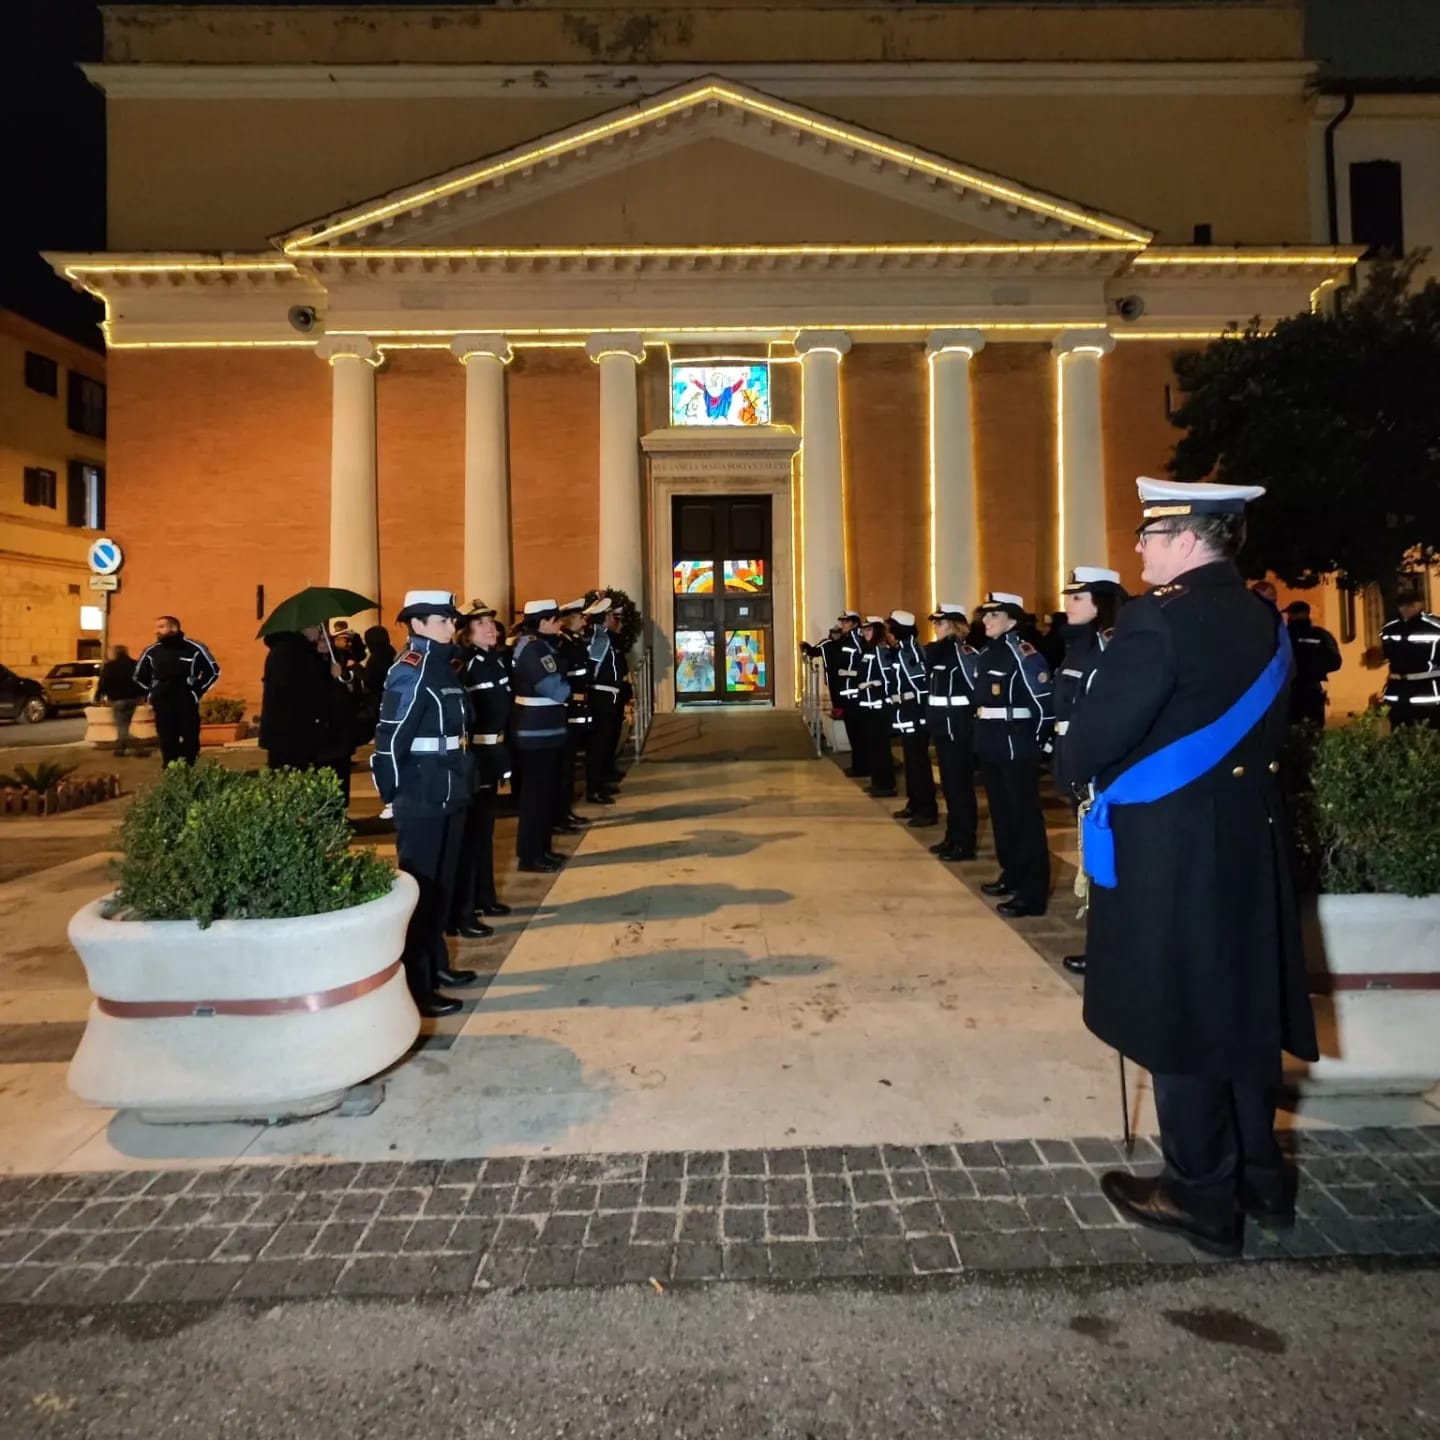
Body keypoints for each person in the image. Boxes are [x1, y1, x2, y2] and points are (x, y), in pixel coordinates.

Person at [1058, 477, 1318, 1259]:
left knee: (1178, 1015)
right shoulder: (1263, 620)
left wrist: (1075, 773)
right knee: (1240, 1010)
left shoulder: (1158, 622)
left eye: (1148, 533)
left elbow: (1093, 738)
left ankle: (1201, 1192)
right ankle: (1261, 1177)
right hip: (1248, 836)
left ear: (1189, 537)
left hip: (1173, 847)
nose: (1137, 547)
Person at [371, 590, 476, 1019]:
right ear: (417, 625)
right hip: (422, 792)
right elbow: (391, 736)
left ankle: (438, 967)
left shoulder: (443, 668)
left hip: (451, 789)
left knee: (442, 887)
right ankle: (418, 985)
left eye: (452, 620)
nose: (452, 626)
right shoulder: (410, 671)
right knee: (421, 892)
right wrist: (392, 793)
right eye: (442, 620)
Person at [1051, 567, 1129, 976]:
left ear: (1101, 603)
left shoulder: (1110, 648)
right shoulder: (1078, 647)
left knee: (1105, 859)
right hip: (1076, 757)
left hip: (1100, 766)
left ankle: (1110, 950)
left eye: (1078, 598)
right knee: (1093, 857)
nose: (1068, 604)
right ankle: (1103, 945)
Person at [966, 592, 1053, 918]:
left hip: (1017, 745)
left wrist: (1037, 744)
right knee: (1002, 816)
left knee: (1025, 819)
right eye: (985, 616)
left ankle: (1032, 893)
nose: (986, 621)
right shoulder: (989, 652)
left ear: (1012, 620)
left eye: (994, 616)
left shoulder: (1023, 653)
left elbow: (1044, 704)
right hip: (991, 743)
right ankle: (1011, 873)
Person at [447, 604, 512, 938]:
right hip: (476, 755)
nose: (491, 629)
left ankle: (485, 896)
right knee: (471, 837)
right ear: (466, 631)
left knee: (485, 833)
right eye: (482, 624)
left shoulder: (495, 660)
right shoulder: (466, 664)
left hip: (494, 752)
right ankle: (466, 907)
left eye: (492, 623)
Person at [510, 599, 571, 872]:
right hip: (537, 734)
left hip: (547, 731)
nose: (560, 624)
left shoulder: (541, 646)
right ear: (543, 621)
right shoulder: (533, 649)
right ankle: (530, 855)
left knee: (546, 796)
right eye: (555, 619)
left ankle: (542, 850)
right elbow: (557, 689)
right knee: (535, 799)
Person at [925, 604, 978, 862]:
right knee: (949, 787)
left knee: (960, 788)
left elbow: (974, 689)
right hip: (942, 728)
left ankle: (964, 842)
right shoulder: (938, 653)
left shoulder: (962, 652)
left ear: (954, 625)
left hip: (958, 728)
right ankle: (952, 837)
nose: (935, 627)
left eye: (940, 622)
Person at [133, 615, 220, 766]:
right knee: (167, 740)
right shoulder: (151, 652)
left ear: (174, 628)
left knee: (190, 738)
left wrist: (196, 691)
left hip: (186, 700)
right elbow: (139, 676)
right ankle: (170, 770)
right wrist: (152, 692)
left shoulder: (194, 648)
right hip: (163, 702)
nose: (156, 631)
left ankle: (189, 768)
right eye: (156, 627)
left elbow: (213, 671)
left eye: (161, 626)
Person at [888, 610, 938, 827]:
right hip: (906, 714)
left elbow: (920, 686)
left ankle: (926, 809)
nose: (889, 631)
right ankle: (915, 803)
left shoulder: (911, 653)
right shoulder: (902, 650)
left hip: (915, 715)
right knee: (911, 763)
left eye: (892, 627)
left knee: (919, 764)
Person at [259, 627, 332, 771]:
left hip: (287, 729)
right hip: (291, 730)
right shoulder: (291, 652)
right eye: (314, 626)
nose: (319, 631)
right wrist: (328, 673)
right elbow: (306, 686)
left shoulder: (293, 650)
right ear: (303, 629)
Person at [552, 599, 597, 828]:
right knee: (564, 767)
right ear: (569, 620)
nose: (584, 620)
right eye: (580, 617)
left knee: (569, 764)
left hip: (578, 707)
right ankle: (560, 814)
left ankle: (566, 811)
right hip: (569, 707)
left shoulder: (576, 641)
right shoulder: (564, 644)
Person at [1380, 585, 1440, 729]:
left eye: (1409, 605)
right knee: (1398, 739)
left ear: (1420, 604)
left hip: (1427, 694)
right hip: (1397, 693)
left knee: (1426, 741)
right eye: (1401, 605)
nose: (1404, 609)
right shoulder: (1389, 629)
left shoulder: (1435, 627)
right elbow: (1386, 656)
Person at [584, 595, 625, 803]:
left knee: (605, 742)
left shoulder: (605, 636)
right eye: (611, 616)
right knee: (599, 745)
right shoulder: (600, 638)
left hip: (609, 694)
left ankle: (600, 784)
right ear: (605, 617)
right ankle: (594, 789)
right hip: (601, 696)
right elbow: (592, 667)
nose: (614, 619)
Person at [856, 616, 897, 797]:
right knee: (873, 746)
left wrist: (872, 683)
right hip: (868, 705)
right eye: (864, 630)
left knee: (881, 748)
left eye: (869, 630)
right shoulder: (869, 650)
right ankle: (878, 782)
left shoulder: (881, 650)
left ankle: (886, 785)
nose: (865, 633)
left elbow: (888, 677)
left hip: (880, 706)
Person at [1283, 600, 1342, 727]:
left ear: (1291, 615)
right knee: (1313, 732)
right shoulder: (1321, 635)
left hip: (1288, 691)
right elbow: (1335, 662)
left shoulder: (1283, 635)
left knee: (1289, 733)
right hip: (1313, 689)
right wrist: (1315, 668)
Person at [95, 644, 144, 756]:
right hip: (133, 699)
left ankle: (125, 747)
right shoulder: (134, 664)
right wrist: (143, 695)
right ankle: (131, 747)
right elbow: (141, 681)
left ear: (116, 653)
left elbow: (103, 682)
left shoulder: (110, 666)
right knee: (126, 724)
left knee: (121, 725)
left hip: (117, 699)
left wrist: (99, 696)